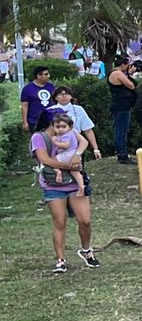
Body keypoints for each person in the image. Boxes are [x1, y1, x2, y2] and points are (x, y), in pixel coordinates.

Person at [34, 109, 97, 274]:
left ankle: (86, 250)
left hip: (73, 184)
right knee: (59, 221)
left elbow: (83, 142)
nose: (61, 126)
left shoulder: (70, 132)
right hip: (53, 185)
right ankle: (60, 259)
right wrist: (71, 166)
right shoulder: (39, 137)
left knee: (85, 220)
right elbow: (44, 160)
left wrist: (77, 155)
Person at [108, 57, 139, 164]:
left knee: (122, 130)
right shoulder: (117, 73)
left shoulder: (118, 73)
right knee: (121, 130)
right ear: (123, 65)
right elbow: (131, 85)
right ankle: (122, 154)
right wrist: (127, 75)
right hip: (121, 105)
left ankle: (121, 152)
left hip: (123, 105)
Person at [19, 65, 57, 132]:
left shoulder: (51, 87)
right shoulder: (27, 89)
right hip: (34, 121)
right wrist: (25, 122)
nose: (49, 76)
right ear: (38, 76)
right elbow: (24, 106)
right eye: (46, 74)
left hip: (51, 120)